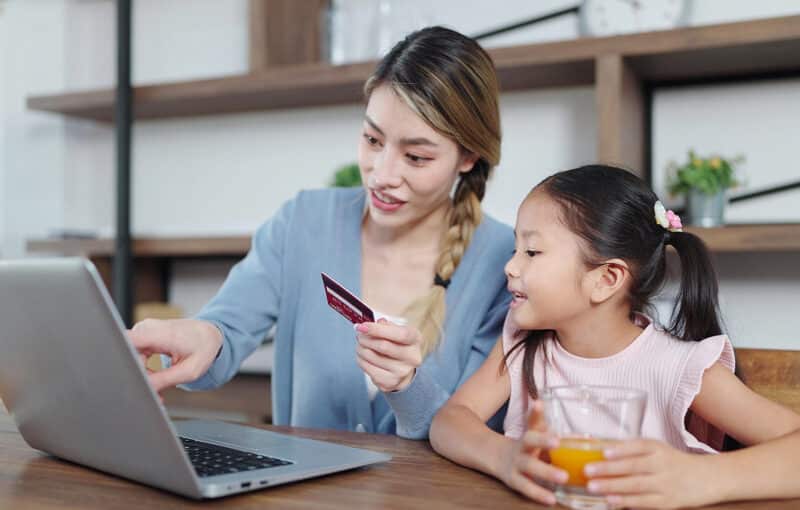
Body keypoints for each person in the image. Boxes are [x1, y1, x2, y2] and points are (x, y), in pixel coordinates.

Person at [129, 26, 513, 439]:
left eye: (416, 157)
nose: (382, 175)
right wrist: (201, 335)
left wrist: (407, 386)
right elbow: (227, 330)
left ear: (468, 157)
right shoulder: (304, 222)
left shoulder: (507, 263)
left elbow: (473, 435)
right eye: (372, 139)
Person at [430, 165, 800, 507]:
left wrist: (701, 477)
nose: (510, 266)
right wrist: (504, 457)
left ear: (605, 280)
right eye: (515, 249)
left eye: (532, 251)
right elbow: (449, 422)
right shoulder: (524, 342)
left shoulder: (679, 369)